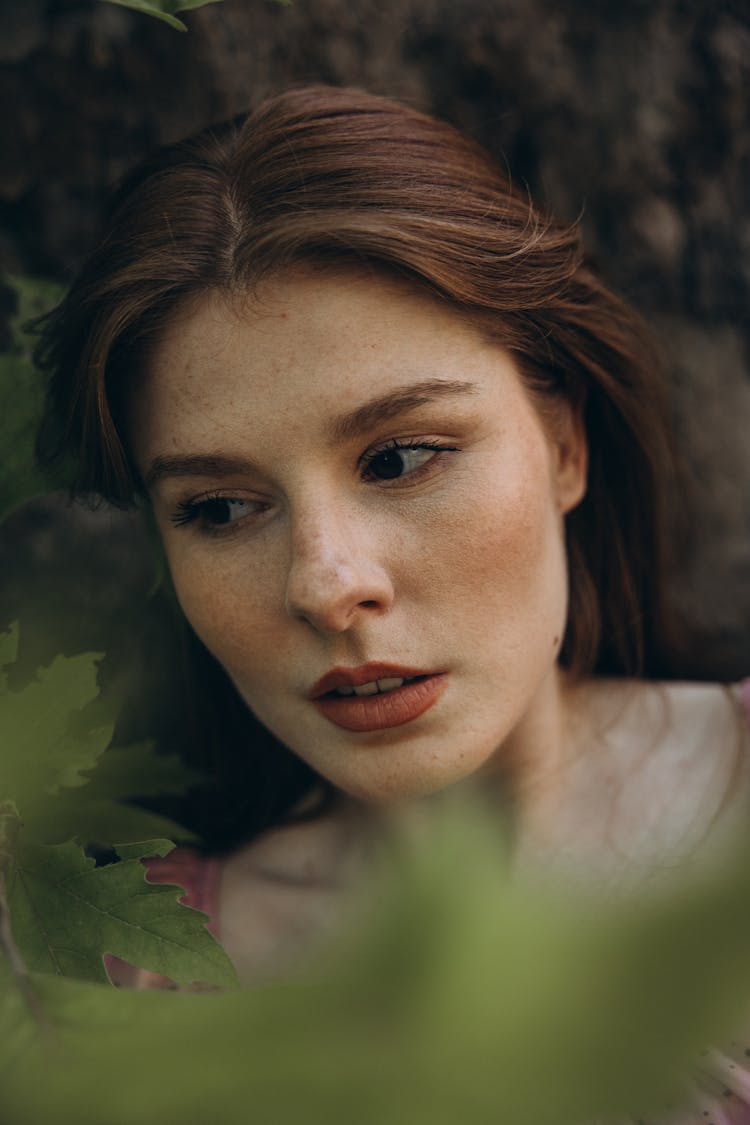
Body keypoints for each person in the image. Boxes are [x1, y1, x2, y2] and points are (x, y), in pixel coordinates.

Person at [35, 85, 749, 1114]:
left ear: (563, 445)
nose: (328, 585)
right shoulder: (122, 984)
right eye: (224, 509)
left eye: (402, 457)